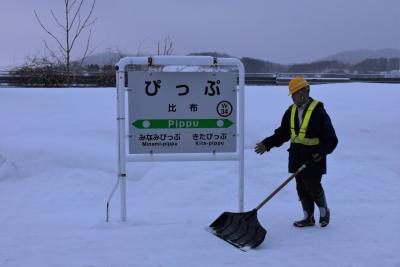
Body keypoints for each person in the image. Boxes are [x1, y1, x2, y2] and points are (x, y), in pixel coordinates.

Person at [254, 77, 338, 227]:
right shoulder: (290, 112)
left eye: (299, 93)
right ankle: (308, 217)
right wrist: (267, 144)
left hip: (314, 158)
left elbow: (331, 140)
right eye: (294, 94)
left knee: (312, 184)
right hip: (296, 156)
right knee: (301, 186)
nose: (297, 97)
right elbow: (282, 134)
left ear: (306, 92)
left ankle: (324, 211)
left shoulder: (319, 112)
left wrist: (321, 152)